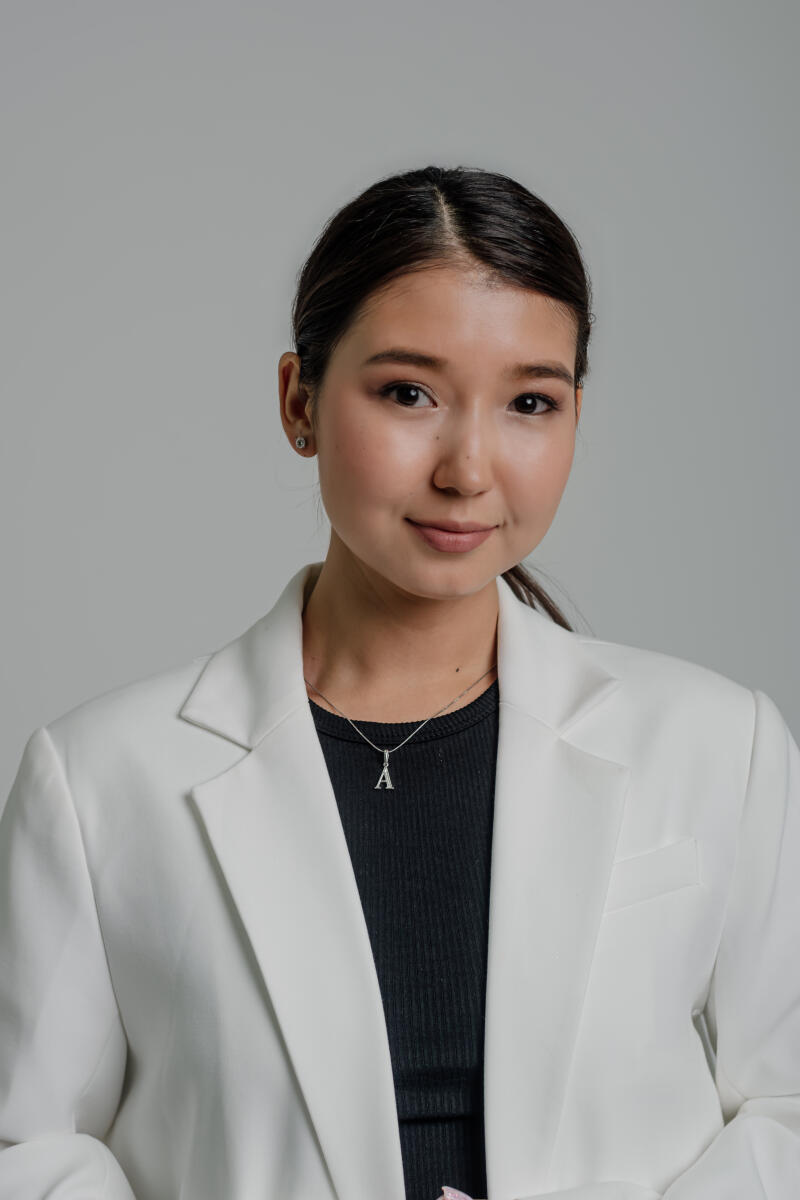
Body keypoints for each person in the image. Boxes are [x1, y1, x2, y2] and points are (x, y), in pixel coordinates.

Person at [0, 164, 798, 1200]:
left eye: (527, 402)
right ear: (300, 401)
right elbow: (26, 1145)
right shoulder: (99, 781)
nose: (468, 467)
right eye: (407, 393)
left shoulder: (715, 748)